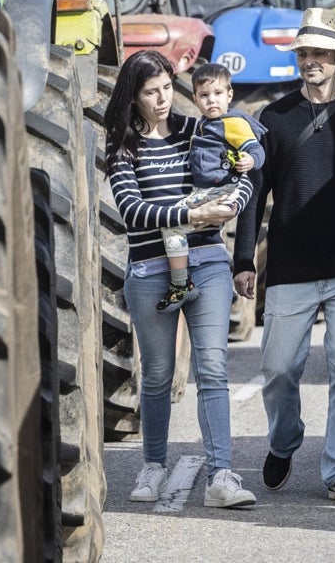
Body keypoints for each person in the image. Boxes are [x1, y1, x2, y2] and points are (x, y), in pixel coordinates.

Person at [232, 8, 335, 503]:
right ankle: (284, 441)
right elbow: (253, 193)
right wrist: (244, 260)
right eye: (305, 53)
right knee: (280, 369)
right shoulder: (273, 119)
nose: (312, 62)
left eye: (321, 54)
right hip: (290, 267)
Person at [103, 50, 257, 509]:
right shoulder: (123, 148)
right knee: (156, 375)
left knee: (213, 368)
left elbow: (244, 173)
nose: (164, 98)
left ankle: (221, 476)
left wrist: (232, 202)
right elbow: (133, 210)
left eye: (168, 87)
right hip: (150, 269)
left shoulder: (198, 130)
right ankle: (152, 466)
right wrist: (193, 213)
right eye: (152, 92)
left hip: (209, 261)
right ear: (134, 97)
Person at [157, 62, 266, 313]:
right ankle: (181, 282)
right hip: (205, 192)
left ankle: (187, 283)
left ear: (230, 95)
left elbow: (255, 149)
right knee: (171, 226)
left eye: (217, 94)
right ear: (194, 99)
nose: (211, 101)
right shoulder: (203, 126)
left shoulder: (232, 123)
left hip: (227, 189)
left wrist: (250, 160)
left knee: (179, 224)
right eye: (204, 96)